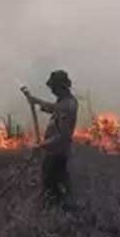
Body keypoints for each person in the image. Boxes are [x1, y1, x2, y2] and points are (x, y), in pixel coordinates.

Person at [22, 70, 79, 206]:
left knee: (53, 188)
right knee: (57, 186)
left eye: (53, 88)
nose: (52, 91)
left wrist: (41, 145)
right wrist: (36, 100)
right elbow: (54, 108)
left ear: (61, 87)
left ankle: (59, 216)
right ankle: (64, 211)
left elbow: (62, 136)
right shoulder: (64, 101)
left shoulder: (68, 104)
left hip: (58, 153)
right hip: (54, 152)